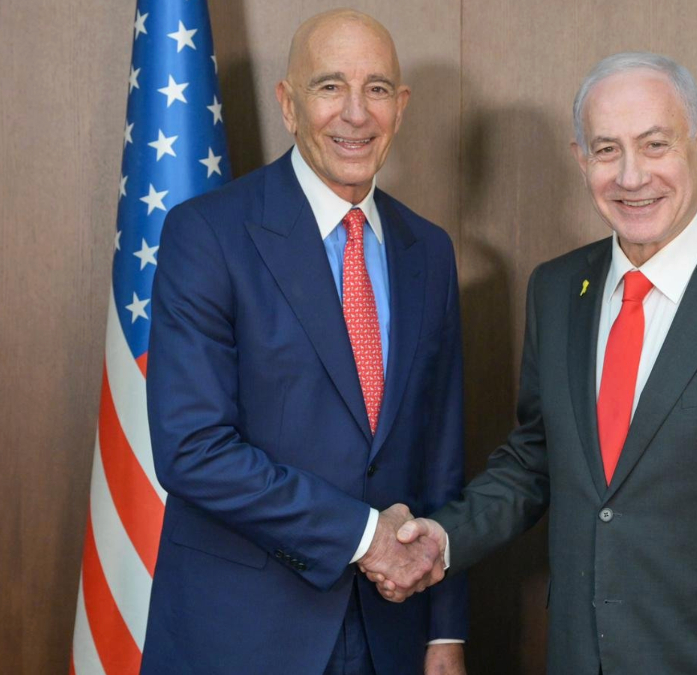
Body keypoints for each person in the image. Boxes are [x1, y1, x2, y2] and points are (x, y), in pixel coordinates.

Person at [380, 52, 697, 674]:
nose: (631, 176)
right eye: (607, 150)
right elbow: (536, 460)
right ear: (581, 159)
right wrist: (444, 539)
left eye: (655, 144)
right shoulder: (557, 290)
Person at [141, 10, 467, 675]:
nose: (356, 113)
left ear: (401, 107)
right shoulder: (207, 234)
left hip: (391, 631)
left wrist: (445, 631)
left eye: (377, 89)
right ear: (288, 104)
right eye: (329, 86)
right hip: (243, 636)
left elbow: (441, 454)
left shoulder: (428, 251)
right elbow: (192, 448)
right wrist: (363, 534)